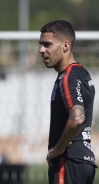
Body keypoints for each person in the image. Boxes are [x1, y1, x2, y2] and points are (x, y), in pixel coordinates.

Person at [39, 20, 97, 184]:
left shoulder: (68, 76)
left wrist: (58, 149)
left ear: (65, 46)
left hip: (68, 160)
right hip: (84, 162)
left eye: (47, 44)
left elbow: (77, 116)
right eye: (41, 44)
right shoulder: (81, 73)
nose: (41, 50)